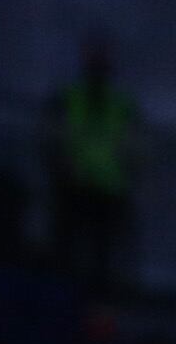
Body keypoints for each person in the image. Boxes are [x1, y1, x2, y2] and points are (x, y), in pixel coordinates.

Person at [47, 42, 137, 294]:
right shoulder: (69, 99)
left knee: (99, 258)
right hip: (76, 187)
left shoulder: (121, 106)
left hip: (106, 191)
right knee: (71, 254)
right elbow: (54, 140)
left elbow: (133, 149)